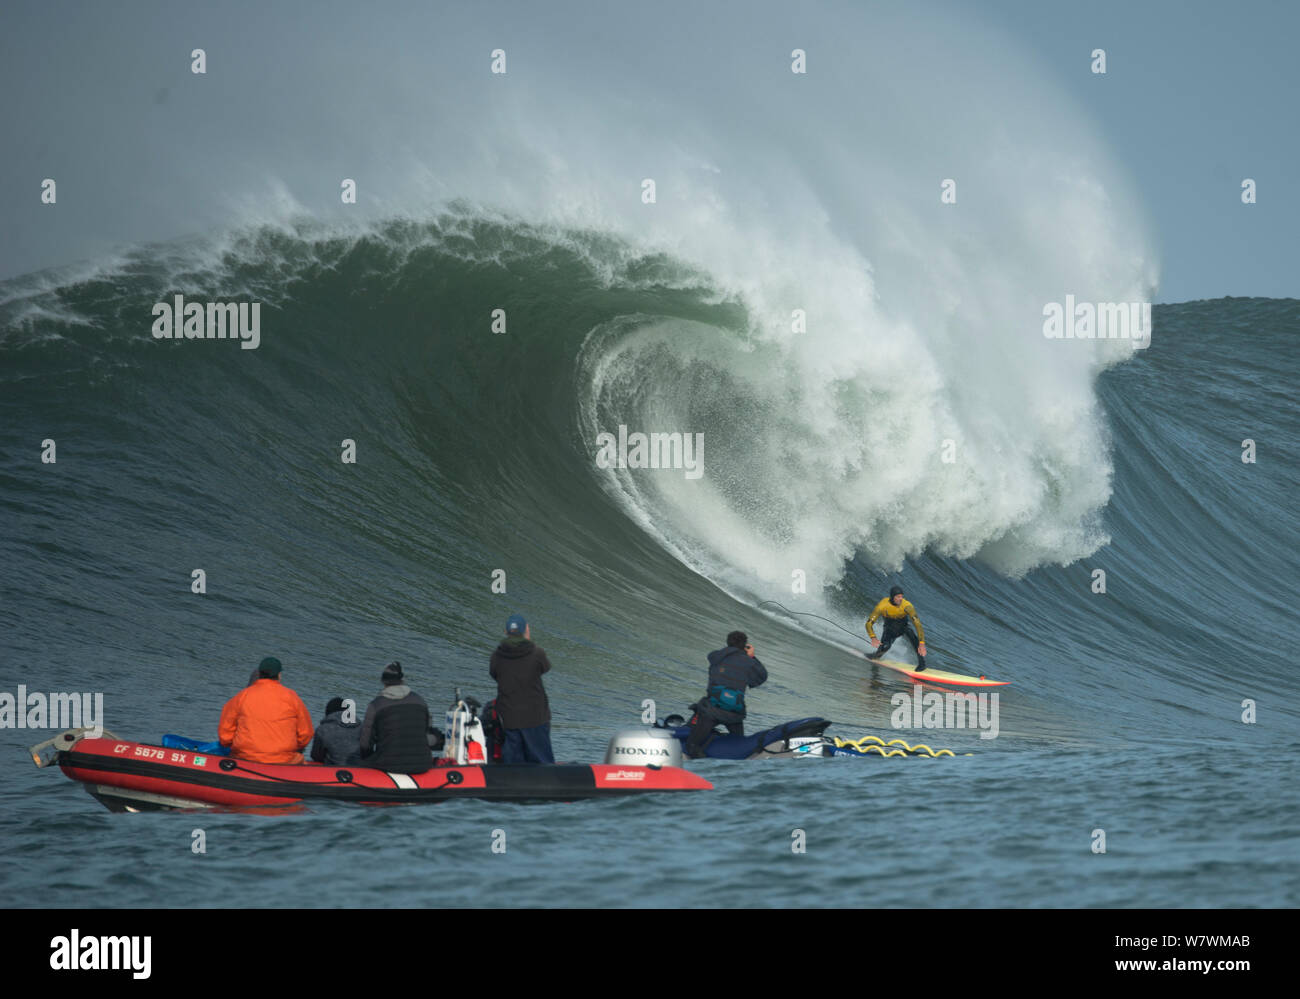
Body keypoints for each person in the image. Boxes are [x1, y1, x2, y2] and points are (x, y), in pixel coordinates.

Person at [684, 631, 767, 759]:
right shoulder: (748, 662)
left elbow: (711, 656)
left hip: (711, 711)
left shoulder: (716, 657)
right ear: (745, 645)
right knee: (740, 743)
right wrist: (752, 657)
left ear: (728, 642)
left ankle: (697, 753)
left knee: (692, 744)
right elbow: (761, 677)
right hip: (734, 713)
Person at [218, 656, 314, 764]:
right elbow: (306, 733)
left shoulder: (242, 696)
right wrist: (294, 748)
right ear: (279, 675)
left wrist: (234, 745)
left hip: (244, 757)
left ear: (259, 674)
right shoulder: (292, 697)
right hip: (283, 759)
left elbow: (224, 735)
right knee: (302, 762)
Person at [488, 614, 555, 764]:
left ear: (506, 632)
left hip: (508, 719)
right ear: (526, 631)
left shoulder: (496, 656)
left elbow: (494, 674)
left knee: (513, 766)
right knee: (541, 762)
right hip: (536, 717)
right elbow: (545, 668)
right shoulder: (537, 653)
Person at [358, 662, 432, 774]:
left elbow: (365, 744)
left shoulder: (376, 705)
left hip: (387, 764)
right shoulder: (420, 701)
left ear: (383, 681)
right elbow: (428, 732)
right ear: (402, 679)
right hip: (422, 764)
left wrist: (368, 758)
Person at [865, 585, 928, 671]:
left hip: (904, 627)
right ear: (892, 597)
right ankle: (875, 657)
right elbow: (868, 624)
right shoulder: (882, 606)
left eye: (902, 596)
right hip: (889, 628)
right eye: (898, 597)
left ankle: (922, 664)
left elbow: (918, 624)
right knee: (885, 647)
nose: (900, 598)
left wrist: (922, 643)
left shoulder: (907, 606)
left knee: (915, 640)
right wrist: (873, 637)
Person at [310, 696, 361, 765]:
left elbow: (316, 756)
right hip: (360, 769)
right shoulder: (361, 727)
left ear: (328, 712)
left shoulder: (323, 729)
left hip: (332, 769)